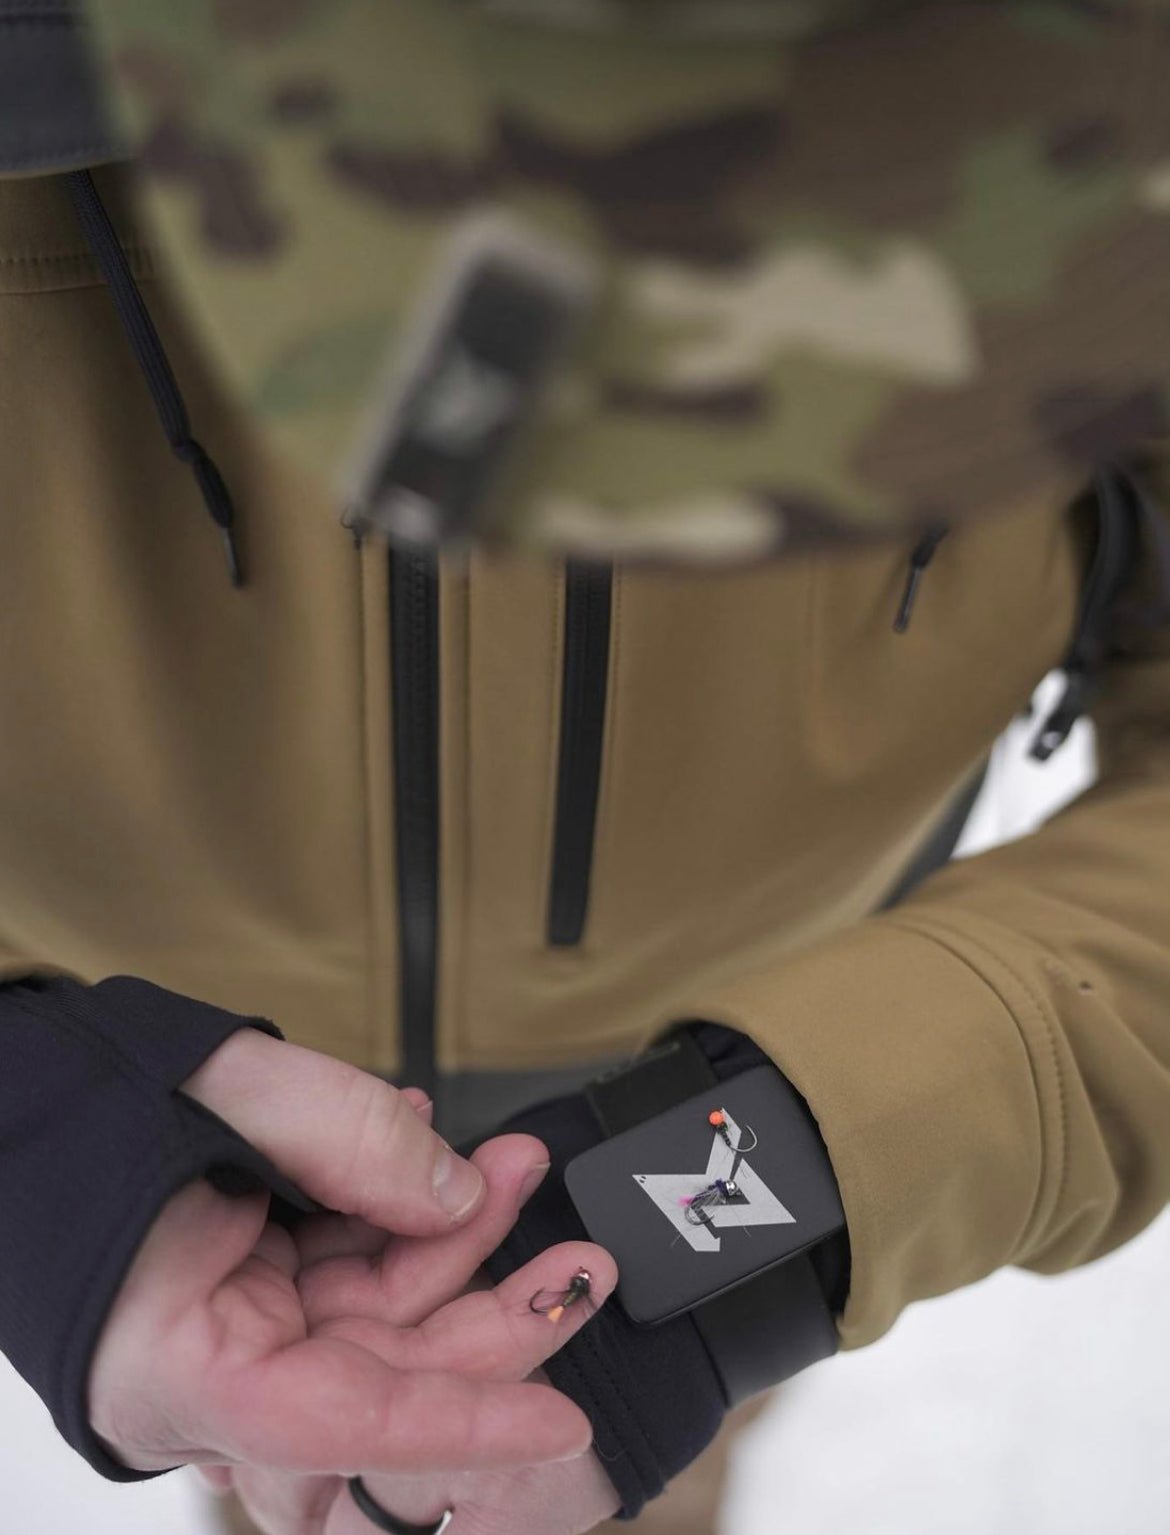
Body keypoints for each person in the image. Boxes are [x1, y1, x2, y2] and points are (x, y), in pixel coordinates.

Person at [2, 2, 1170, 1533]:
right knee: (295, 1477)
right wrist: (36, 1121)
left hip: (785, 1036)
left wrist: (809, 1164)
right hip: (137, 1070)